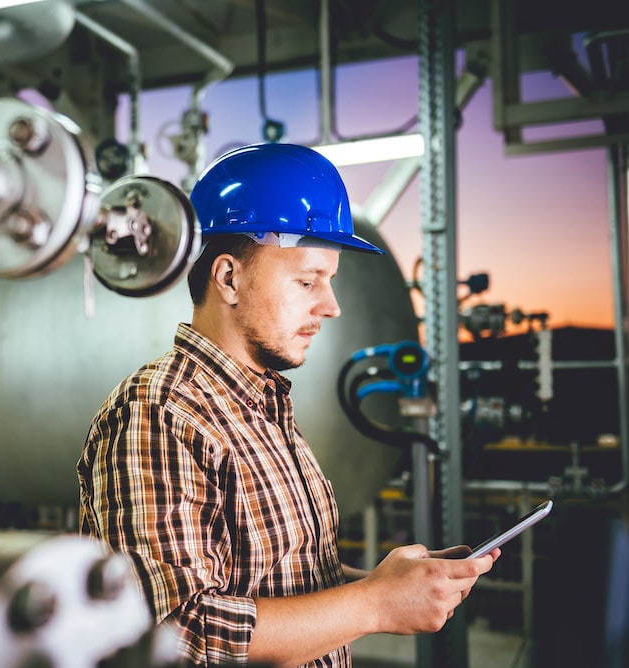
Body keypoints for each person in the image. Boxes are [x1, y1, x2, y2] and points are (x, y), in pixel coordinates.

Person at [77, 142, 498, 668]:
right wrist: (372, 605)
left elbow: (277, 577)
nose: (331, 306)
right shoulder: (161, 415)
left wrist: (395, 585)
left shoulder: (262, 406)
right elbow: (177, 634)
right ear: (228, 278)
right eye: (307, 280)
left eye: (330, 280)